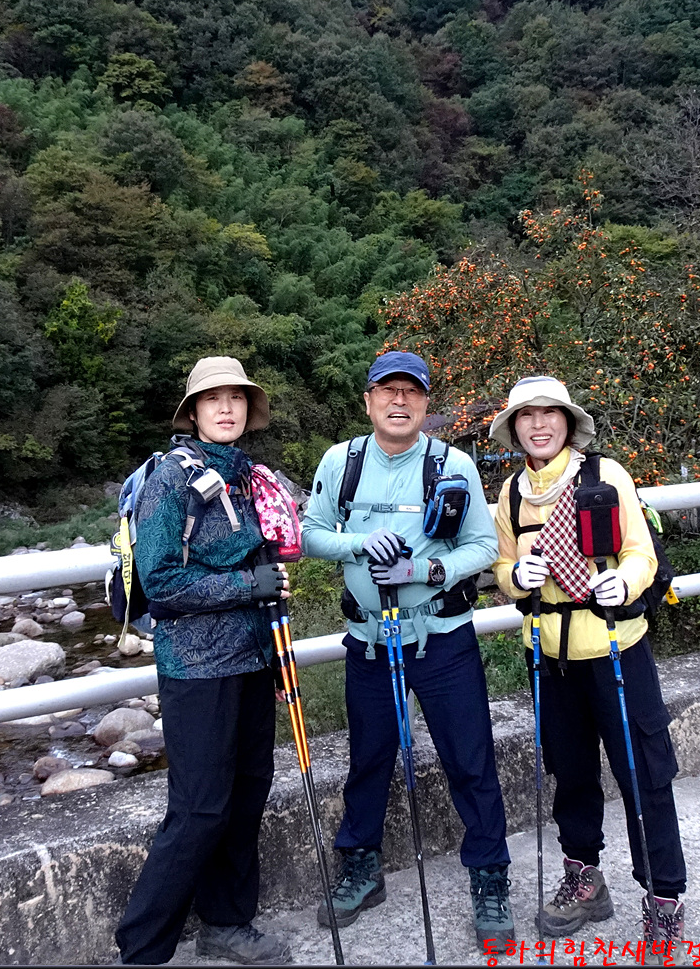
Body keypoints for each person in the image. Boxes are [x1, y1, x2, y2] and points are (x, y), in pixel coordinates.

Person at [302, 350, 513, 951]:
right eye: (387, 391)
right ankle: (361, 867)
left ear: (425, 404)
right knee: (368, 759)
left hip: (443, 638)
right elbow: (310, 534)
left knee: (470, 759)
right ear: (368, 401)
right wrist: (359, 543)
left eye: (412, 392)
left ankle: (490, 878)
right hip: (370, 641)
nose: (399, 401)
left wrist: (426, 569)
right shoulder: (341, 462)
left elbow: (482, 547)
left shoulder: (453, 463)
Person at [489, 376, 687, 960]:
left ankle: (664, 897)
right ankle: (584, 878)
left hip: (616, 649)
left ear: (568, 422)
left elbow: (640, 553)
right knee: (570, 773)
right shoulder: (511, 494)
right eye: (527, 416)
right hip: (549, 657)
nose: (539, 424)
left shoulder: (605, 477)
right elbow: (502, 566)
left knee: (644, 776)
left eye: (550, 413)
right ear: (515, 428)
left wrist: (623, 581)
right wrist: (513, 579)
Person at [114, 357, 293, 966]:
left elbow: (265, 562)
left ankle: (227, 922)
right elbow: (160, 581)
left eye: (236, 398)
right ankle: (141, 949)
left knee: (246, 797)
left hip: (253, 659)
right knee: (199, 809)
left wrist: (271, 618)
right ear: (192, 412)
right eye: (212, 399)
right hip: (195, 668)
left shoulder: (245, 476)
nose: (226, 408)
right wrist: (247, 584)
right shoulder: (170, 479)